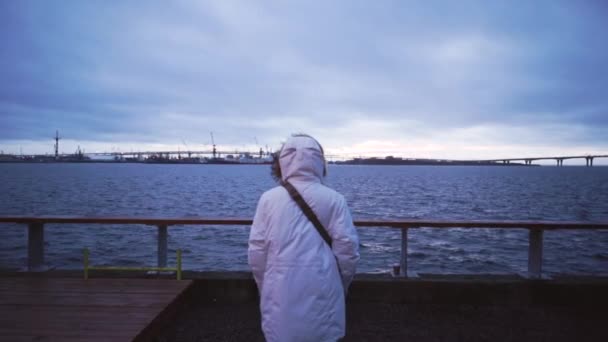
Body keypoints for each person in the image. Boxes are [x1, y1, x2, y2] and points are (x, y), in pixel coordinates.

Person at [248, 134, 360, 342]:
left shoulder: (268, 200)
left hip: (279, 291)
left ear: (282, 163)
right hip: (324, 287)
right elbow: (348, 251)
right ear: (319, 162)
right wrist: (341, 284)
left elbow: (257, 253)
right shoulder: (335, 200)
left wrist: (265, 285)